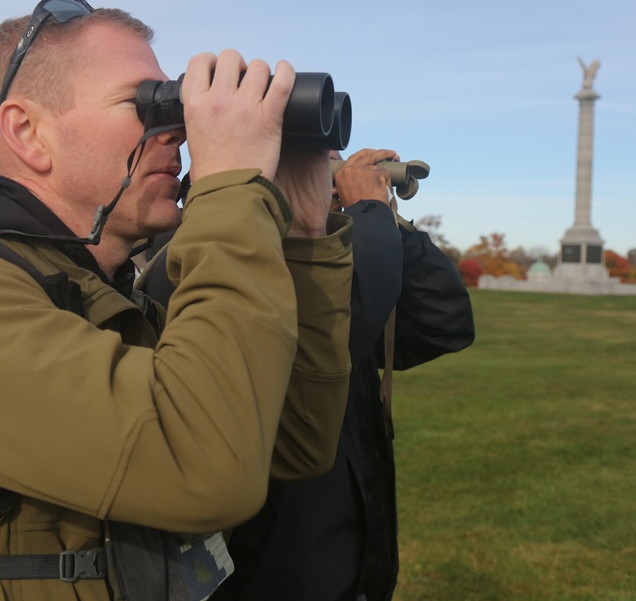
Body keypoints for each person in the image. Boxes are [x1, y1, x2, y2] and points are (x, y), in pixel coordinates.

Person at [0, 0, 355, 601]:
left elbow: (294, 444)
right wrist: (232, 189)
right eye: (145, 104)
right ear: (28, 133)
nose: (180, 128)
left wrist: (303, 232)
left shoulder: (100, 297)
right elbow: (208, 469)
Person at [139, 148, 475, 600]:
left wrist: (388, 224)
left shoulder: (328, 261)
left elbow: (444, 321)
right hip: (270, 569)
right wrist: (367, 213)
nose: (329, 172)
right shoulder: (193, 258)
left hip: (349, 562)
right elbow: (337, 332)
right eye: (314, 160)